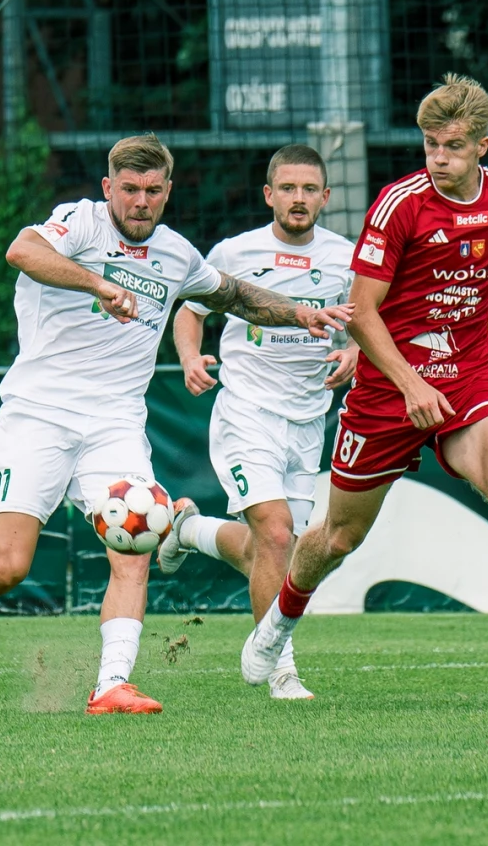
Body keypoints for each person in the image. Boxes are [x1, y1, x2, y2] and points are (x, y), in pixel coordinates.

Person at [0, 134, 351, 715]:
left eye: (152, 191)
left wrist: (298, 313)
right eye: (129, 189)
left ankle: (111, 685)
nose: (140, 202)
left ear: (167, 192)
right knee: (7, 567)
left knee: (135, 541)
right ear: (108, 188)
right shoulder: (81, 223)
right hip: (38, 415)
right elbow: (21, 250)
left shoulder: (177, 254)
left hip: (115, 424)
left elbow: (235, 295)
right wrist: (98, 282)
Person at [239, 74, 488, 694]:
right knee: (338, 537)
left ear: (482, 145)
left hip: (469, 376)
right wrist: (410, 386)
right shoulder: (400, 205)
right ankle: (278, 624)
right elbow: (361, 313)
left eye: (452, 146)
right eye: (430, 145)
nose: (439, 158)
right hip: (386, 390)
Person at [159, 144, 358, 700]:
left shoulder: (346, 257)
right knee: (274, 533)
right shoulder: (236, 251)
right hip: (247, 411)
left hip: (309, 420)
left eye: (309, 189)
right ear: (269, 194)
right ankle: (281, 668)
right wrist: (190, 357)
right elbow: (191, 311)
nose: (298, 198)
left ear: (325, 197)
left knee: (268, 549)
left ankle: (187, 530)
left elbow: (371, 320)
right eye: (287, 188)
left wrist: (355, 352)